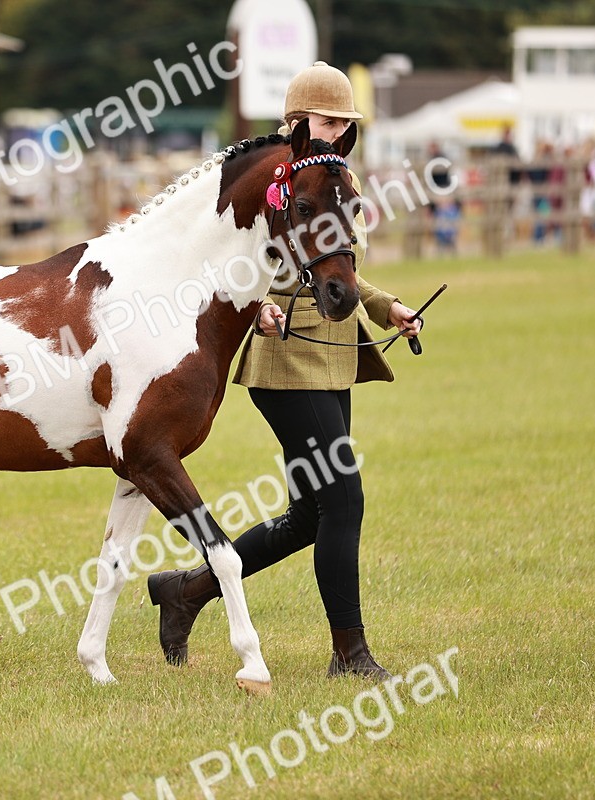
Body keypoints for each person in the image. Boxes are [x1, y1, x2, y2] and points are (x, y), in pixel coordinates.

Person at [148, 62, 421, 680]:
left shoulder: (333, 178)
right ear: (298, 123)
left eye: (346, 125)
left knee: (309, 515)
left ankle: (185, 593)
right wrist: (262, 303)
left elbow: (339, 264)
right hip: (284, 360)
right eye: (329, 122)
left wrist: (386, 307)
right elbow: (230, 259)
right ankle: (349, 655)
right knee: (344, 500)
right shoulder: (271, 182)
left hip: (333, 356)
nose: (339, 134)